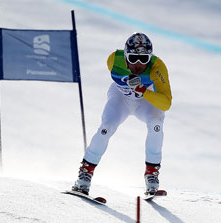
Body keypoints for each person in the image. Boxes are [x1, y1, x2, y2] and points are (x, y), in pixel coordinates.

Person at [72, 32, 172, 195]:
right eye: (133, 58)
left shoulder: (157, 67)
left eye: (144, 59)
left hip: (145, 102)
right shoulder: (113, 59)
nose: (138, 64)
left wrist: (143, 91)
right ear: (125, 57)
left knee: (156, 124)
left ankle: (151, 175)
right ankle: (84, 175)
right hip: (121, 98)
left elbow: (166, 103)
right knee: (107, 127)